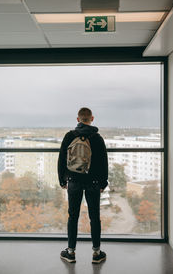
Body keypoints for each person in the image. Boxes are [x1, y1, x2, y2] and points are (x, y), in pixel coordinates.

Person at [58, 107, 108, 264]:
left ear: (78, 119)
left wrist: (62, 180)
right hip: (93, 182)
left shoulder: (69, 136)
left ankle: (71, 253)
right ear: (92, 119)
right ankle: (96, 253)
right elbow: (103, 162)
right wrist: (103, 182)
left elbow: (61, 159)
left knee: (73, 216)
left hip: (74, 181)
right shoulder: (97, 138)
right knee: (94, 217)